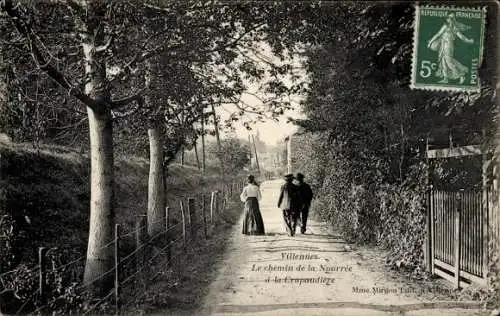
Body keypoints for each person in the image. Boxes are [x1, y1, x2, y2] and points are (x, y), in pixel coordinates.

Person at [427, 13, 474, 84]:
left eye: (452, 18)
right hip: (443, 45)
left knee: (449, 61)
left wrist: (468, 41)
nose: (450, 20)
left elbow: (461, 37)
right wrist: (431, 41)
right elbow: (438, 34)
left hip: (448, 46)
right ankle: (445, 78)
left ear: (454, 19)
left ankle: (461, 75)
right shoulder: (445, 26)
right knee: (443, 62)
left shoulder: (455, 28)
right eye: (449, 18)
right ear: (447, 19)